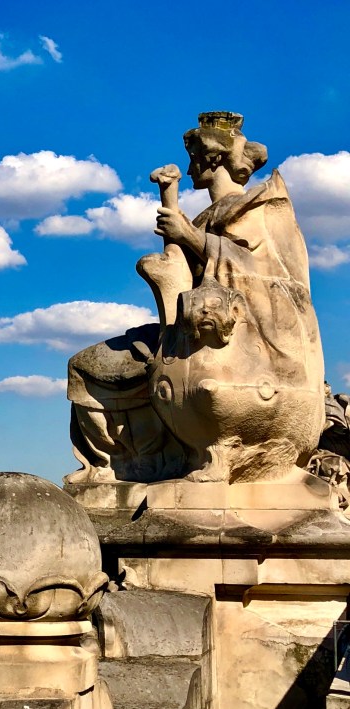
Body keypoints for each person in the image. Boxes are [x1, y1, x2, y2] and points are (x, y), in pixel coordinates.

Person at [67, 112, 324, 484]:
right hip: (184, 327)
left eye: (194, 160)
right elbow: (181, 278)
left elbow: (271, 277)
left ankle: (156, 458)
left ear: (213, 159)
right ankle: (124, 465)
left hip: (237, 337)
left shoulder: (261, 206)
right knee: (85, 365)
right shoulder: (204, 217)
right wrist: (176, 232)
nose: (189, 170)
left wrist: (189, 236)